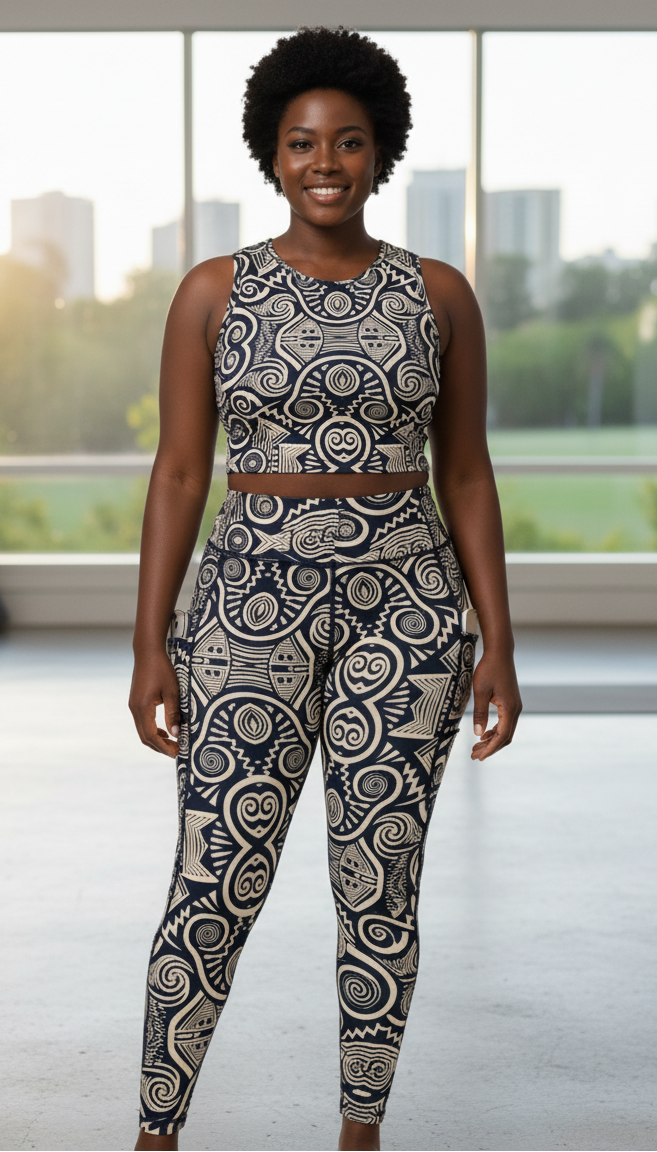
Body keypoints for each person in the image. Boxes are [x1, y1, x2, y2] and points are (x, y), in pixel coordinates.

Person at [129, 26, 522, 1152]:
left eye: (348, 141)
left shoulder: (437, 294)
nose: (324, 162)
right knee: (214, 880)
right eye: (301, 142)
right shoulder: (214, 291)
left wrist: (496, 642)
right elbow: (179, 473)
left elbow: (464, 472)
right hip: (244, 612)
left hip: (406, 617)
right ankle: (156, 1131)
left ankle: (360, 1133)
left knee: (379, 884)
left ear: (381, 151)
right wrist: (151, 643)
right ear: (269, 152)